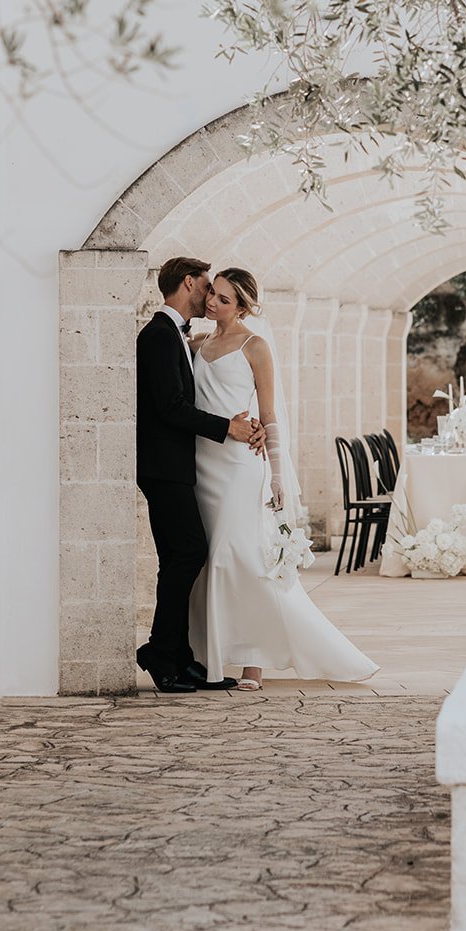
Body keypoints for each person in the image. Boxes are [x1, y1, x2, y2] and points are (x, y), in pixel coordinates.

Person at [188, 267, 377, 690]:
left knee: (238, 557)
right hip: (202, 464)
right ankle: (208, 656)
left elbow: (269, 415)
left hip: (239, 467)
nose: (212, 303)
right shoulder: (196, 343)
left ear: (242, 307)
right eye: (212, 295)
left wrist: (276, 473)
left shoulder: (256, 347)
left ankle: (252, 662)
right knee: (207, 561)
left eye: (223, 299)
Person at [134, 256, 265, 694]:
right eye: (206, 287)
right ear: (187, 283)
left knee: (180, 557)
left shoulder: (178, 336)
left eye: (219, 294)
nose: (209, 297)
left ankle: (182, 658)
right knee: (189, 554)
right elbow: (171, 407)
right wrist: (228, 427)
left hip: (182, 467)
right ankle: (160, 652)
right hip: (165, 468)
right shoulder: (157, 335)